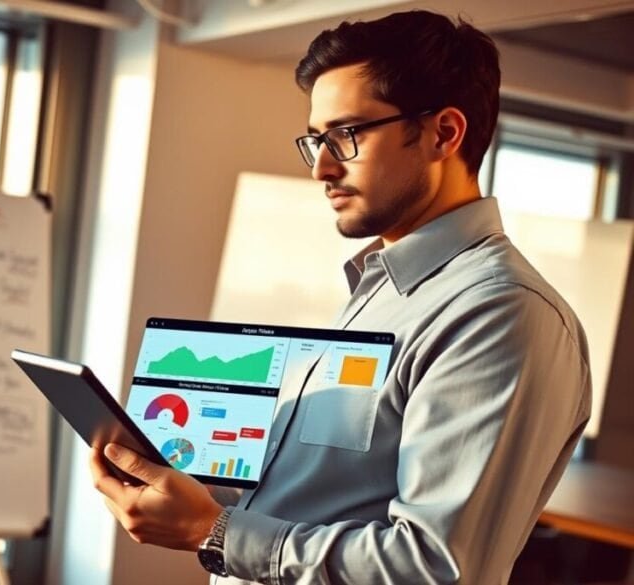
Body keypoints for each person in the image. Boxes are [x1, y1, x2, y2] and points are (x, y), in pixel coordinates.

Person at [89, 10, 591, 585]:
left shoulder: (502, 312)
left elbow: (434, 568)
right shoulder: (380, 290)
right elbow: (320, 497)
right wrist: (192, 493)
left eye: (347, 135)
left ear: (443, 134)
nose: (321, 168)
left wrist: (216, 531)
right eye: (316, 140)